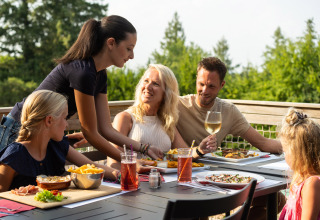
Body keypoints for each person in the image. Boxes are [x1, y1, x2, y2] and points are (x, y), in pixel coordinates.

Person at [0, 15, 163, 161]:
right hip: (20, 129)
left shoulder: (100, 74)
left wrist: (145, 148)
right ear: (111, 43)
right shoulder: (83, 71)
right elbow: (90, 132)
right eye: (129, 48)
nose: (132, 56)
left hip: (45, 133)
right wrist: (130, 162)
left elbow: (105, 128)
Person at [176, 57, 285, 219]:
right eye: (201, 84)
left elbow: (262, 142)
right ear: (196, 80)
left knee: (277, 199)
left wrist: (299, 146)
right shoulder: (178, 106)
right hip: (185, 177)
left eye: (211, 86)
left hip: (215, 178)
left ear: (222, 85)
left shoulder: (228, 111)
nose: (205, 90)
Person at [0, 90, 120, 192]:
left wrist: (120, 175)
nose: (66, 124)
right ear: (49, 121)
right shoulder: (15, 155)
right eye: (64, 118)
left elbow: (93, 166)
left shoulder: (57, 145)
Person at [108, 64, 216, 170]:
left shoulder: (166, 121)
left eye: (155, 84)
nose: (148, 87)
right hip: (134, 181)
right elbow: (113, 163)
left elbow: (184, 153)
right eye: (145, 81)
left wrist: (200, 149)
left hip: (163, 181)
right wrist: (136, 170)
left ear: (166, 93)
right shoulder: (125, 118)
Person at [278, 108, 320, 220]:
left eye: (285, 151)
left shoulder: (312, 183)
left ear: (298, 154)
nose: (285, 156)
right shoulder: (300, 178)